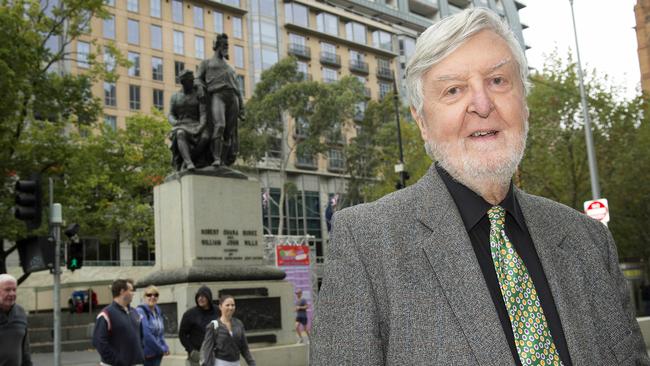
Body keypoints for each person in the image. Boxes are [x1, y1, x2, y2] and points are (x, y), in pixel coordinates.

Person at [311, 8, 649, 366]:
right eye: (454, 90)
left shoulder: (589, 242)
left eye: (498, 81)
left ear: (525, 103)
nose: (482, 105)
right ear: (422, 120)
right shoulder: (367, 244)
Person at [195, 33, 244, 167]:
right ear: (217, 45)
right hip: (218, 95)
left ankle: (223, 161)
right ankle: (215, 158)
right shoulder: (207, 63)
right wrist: (200, 88)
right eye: (224, 44)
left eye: (227, 45)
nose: (226, 47)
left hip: (233, 98)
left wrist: (242, 106)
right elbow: (197, 78)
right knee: (220, 125)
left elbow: (238, 88)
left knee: (229, 133)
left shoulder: (231, 68)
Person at [93, 279, 144, 366]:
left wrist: (141, 356)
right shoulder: (106, 314)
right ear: (122, 291)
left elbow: (141, 337)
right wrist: (117, 361)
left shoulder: (135, 312)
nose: (133, 293)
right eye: (131, 290)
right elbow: (99, 342)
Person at [169, 69, 210, 171]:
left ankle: (189, 159)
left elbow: (203, 113)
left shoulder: (198, 94)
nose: (192, 83)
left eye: (192, 80)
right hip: (181, 124)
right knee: (180, 133)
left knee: (205, 136)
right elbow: (170, 114)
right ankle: (189, 163)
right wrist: (174, 122)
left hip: (196, 124)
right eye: (190, 81)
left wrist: (200, 127)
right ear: (183, 82)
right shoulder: (175, 97)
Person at [199, 295, 255, 366]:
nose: (230, 308)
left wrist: (252, 363)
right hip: (220, 363)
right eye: (227, 305)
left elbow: (245, 348)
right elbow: (208, 352)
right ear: (220, 307)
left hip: (236, 363)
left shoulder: (239, 324)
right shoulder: (213, 326)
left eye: (233, 305)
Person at [179, 286, 219, 366]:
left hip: (215, 353)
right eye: (198, 296)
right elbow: (182, 334)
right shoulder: (189, 314)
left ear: (209, 297)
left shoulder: (218, 311)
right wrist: (191, 350)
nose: (200, 299)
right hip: (197, 356)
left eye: (203, 296)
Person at [0, 274, 32, 366]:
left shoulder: (21, 312)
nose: (12, 293)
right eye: (7, 290)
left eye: (14, 290)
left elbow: (25, 348)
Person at [136, 285, 170, 366]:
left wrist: (165, 347)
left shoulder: (158, 311)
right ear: (144, 297)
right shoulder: (140, 311)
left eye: (156, 295)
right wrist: (161, 349)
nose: (153, 297)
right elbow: (147, 335)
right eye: (149, 295)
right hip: (148, 355)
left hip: (158, 354)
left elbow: (160, 333)